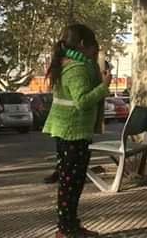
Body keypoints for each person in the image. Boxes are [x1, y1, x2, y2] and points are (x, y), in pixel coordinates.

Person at [42, 24, 112, 238]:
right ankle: (65, 229)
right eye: (94, 48)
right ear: (83, 45)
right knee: (70, 183)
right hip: (72, 131)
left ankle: (70, 225)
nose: (96, 53)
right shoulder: (77, 68)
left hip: (73, 130)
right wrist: (104, 86)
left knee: (73, 182)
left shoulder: (74, 64)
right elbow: (82, 101)